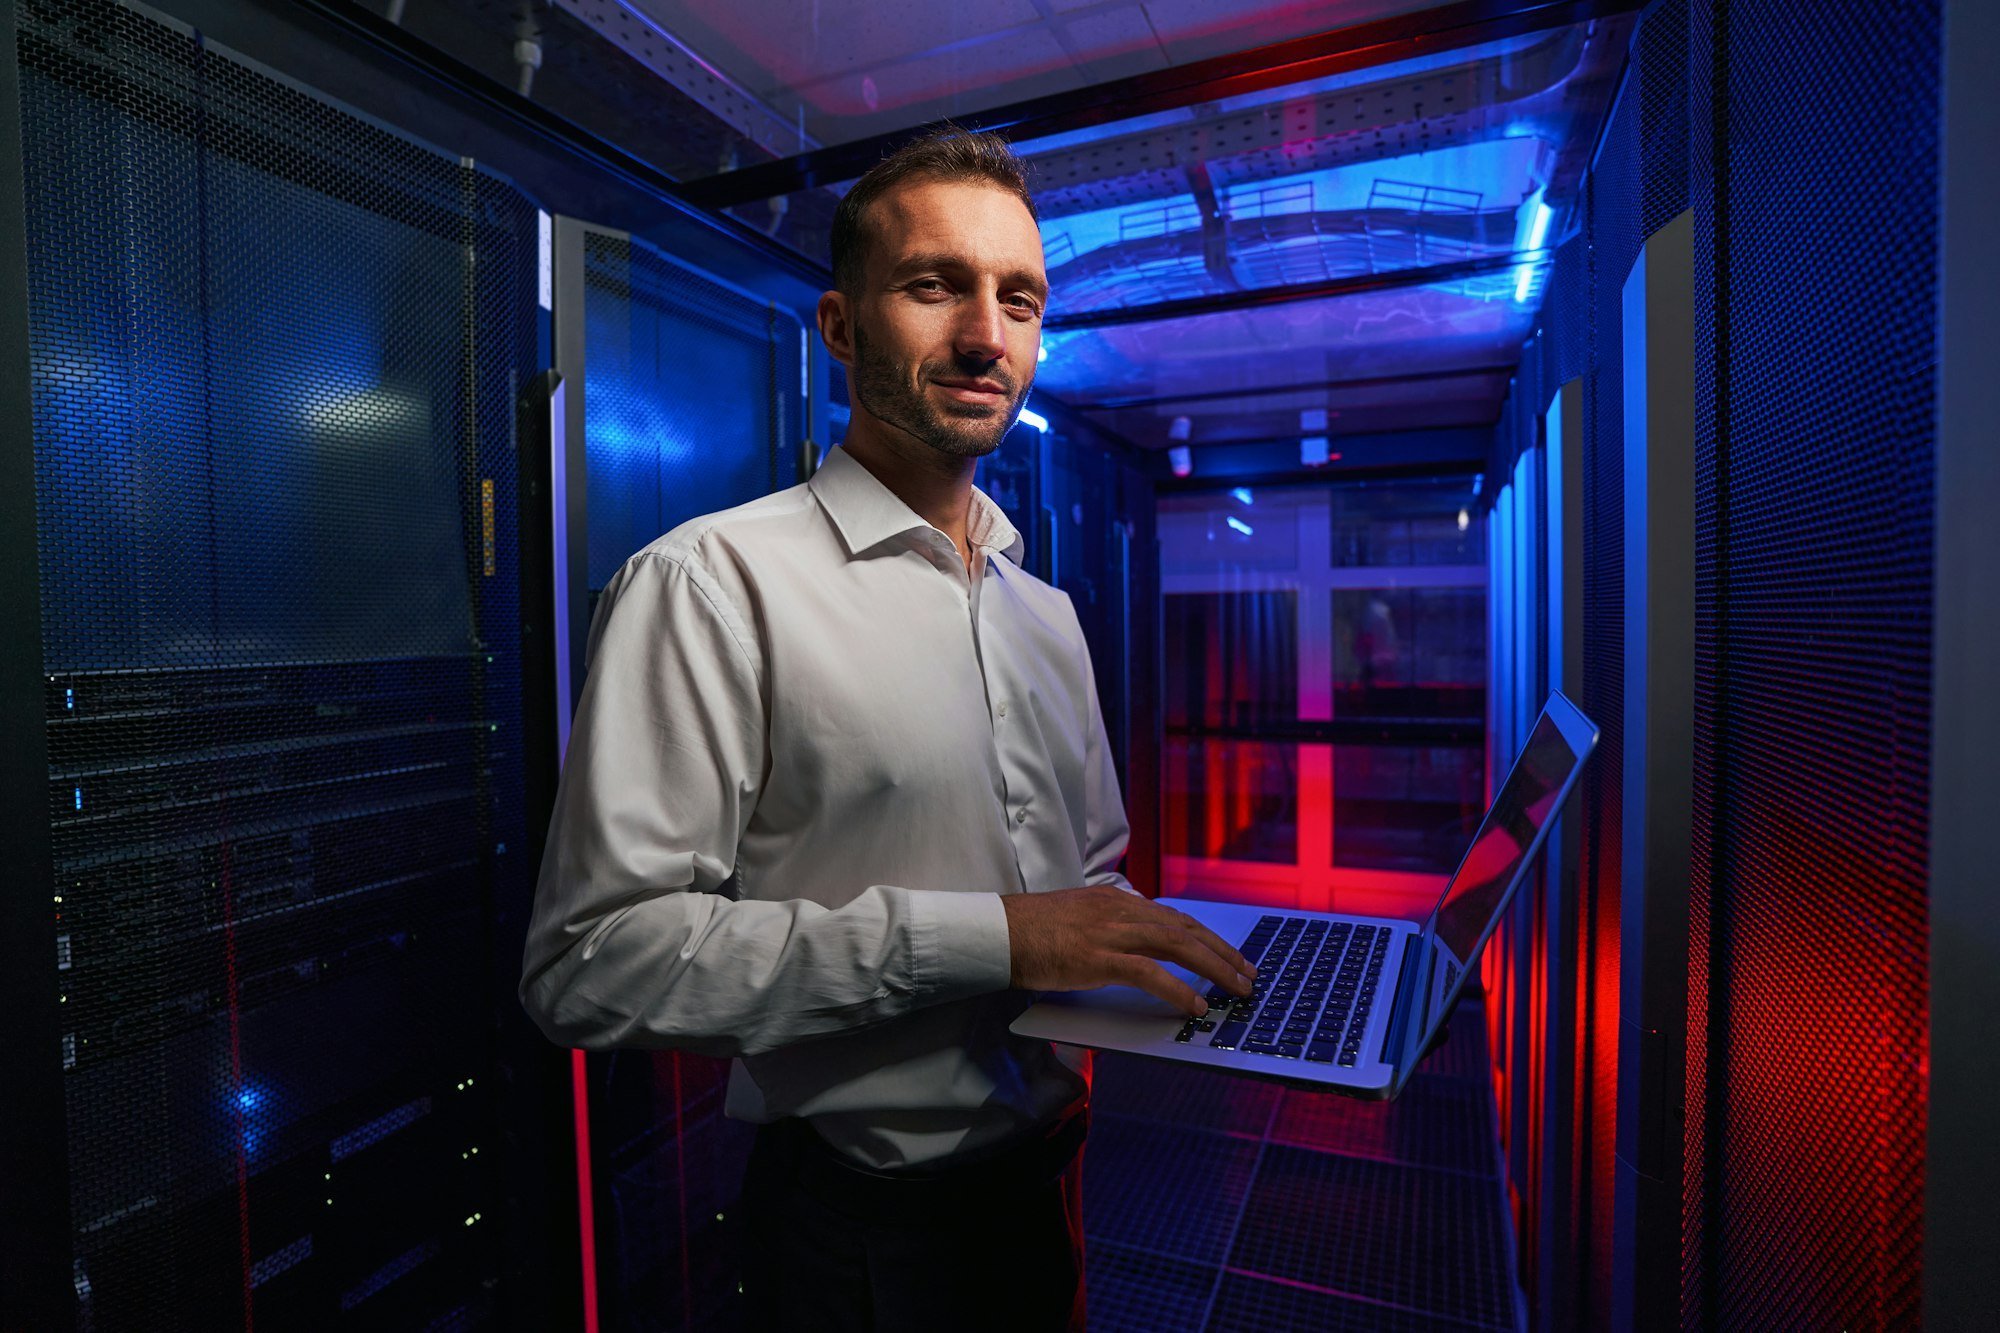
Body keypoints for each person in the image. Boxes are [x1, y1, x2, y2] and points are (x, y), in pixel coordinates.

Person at [518, 128, 1256, 1333]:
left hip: (1048, 1192)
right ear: (840, 324)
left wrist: (1182, 973)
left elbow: (1084, 887)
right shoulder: (711, 584)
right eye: (933, 285)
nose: (984, 335)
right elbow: (591, 965)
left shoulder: (1044, 611)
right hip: (861, 1242)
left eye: (1017, 300)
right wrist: (996, 938)